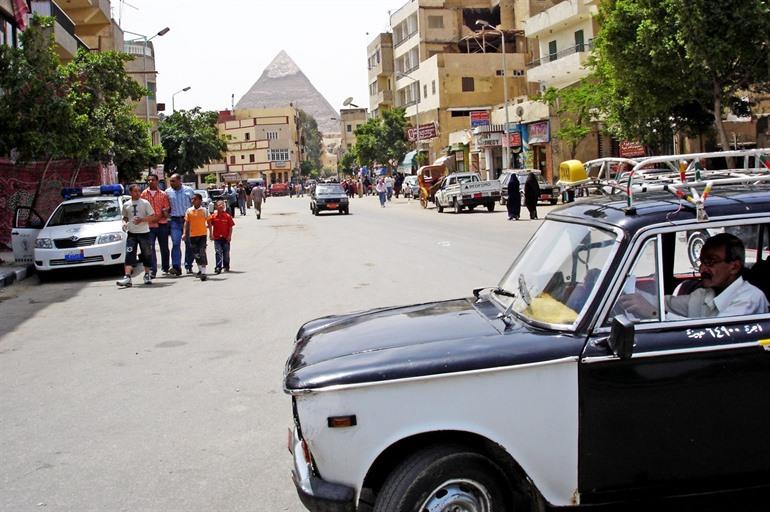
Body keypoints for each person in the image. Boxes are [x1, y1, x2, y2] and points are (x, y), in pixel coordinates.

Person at [620, 233, 768, 320]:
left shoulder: (750, 299)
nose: (703, 268)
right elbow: (663, 303)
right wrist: (627, 294)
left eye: (711, 262)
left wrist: (653, 313)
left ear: (734, 267)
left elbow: (716, 335)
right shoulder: (703, 294)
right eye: (702, 262)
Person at [117, 185, 156, 287]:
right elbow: (125, 217)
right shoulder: (126, 205)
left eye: (139, 191)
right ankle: (127, 277)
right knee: (129, 254)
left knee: (147, 254)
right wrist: (124, 223)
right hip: (132, 234)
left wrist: (142, 220)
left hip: (144, 233)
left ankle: (147, 274)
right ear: (130, 192)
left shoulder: (145, 203)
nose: (138, 193)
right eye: (135, 191)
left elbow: (152, 217)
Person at [140, 174, 171, 277]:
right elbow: (141, 209)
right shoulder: (144, 194)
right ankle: (153, 269)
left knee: (164, 247)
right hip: (149, 225)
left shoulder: (163, 194)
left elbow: (166, 208)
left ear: (157, 181)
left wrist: (161, 215)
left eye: (152, 180)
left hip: (162, 224)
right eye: (148, 180)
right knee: (150, 247)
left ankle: (165, 267)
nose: (150, 182)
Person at [165, 173, 195, 276]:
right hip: (175, 221)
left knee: (189, 244)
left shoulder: (189, 191)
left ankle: (188, 265)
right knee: (176, 243)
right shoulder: (167, 192)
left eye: (173, 181)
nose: (171, 183)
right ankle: (176, 267)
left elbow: (194, 205)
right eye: (170, 181)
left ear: (179, 181)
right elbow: (166, 207)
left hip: (188, 220)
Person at [184, 193, 210, 281]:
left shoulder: (204, 210)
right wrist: (184, 234)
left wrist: (211, 233)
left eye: (195, 199)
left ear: (200, 200)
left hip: (202, 234)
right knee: (196, 254)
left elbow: (209, 222)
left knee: (202, 252)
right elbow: (186, 223)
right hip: (193, 235)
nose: (193, 201)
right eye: (192, 199)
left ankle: (203, 272)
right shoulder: (189, 211)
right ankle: (200, 269)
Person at [208, 200, 235, 274]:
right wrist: (211, 234)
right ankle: (218, 267)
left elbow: (230, 227)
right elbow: (209, 223)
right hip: (217, 238)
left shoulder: (227, 216)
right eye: (219, 205)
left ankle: (226, 266)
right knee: (218, 252)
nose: (221, 206)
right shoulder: (213, 216)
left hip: (225, 238)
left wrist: (229, 236)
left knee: (226, 253)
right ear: (216, 206)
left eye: (222, 205)